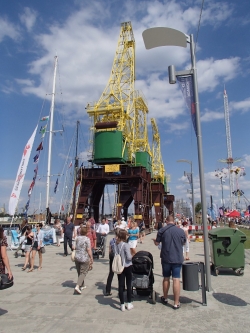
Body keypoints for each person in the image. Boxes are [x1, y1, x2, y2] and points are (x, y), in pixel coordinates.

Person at [153, 215, 186, 309]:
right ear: (174, 222)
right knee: (176, 279)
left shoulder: (162, 231)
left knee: (166, 278)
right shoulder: (180, 231)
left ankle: (165, 297)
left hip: (166, 257)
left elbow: (157, 243)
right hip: (177, 258)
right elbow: (183, 242)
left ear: (166, 221)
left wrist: (155, 241)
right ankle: (176, 303)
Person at [112, 229, 133, 311]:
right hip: (127, 266)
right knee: (128, 284)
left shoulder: (115, 244)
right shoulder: (125, 245)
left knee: (120, 285)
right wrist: (132, 256)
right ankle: (129, 303)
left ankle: (122, 304)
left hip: (119, 266)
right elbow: (128, 257)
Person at [74, 226, 93, 294]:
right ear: (86, 232)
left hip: (77, 257)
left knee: (79, 272)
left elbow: (73, 247)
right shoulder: (87, 239)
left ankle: (82, 285)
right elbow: (88, 249)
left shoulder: (77, 238)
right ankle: (77, 286)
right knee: (84, 272)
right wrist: (91, 257)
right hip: (84, 257)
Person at [105, 228, 120, 296]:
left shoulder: (111, 240)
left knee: (111, 273)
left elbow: (110, 250)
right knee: (120, 273)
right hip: (119, 257)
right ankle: (121, 289)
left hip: (112, 256)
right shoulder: (120, 241)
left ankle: (108, 290)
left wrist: (110, 257)